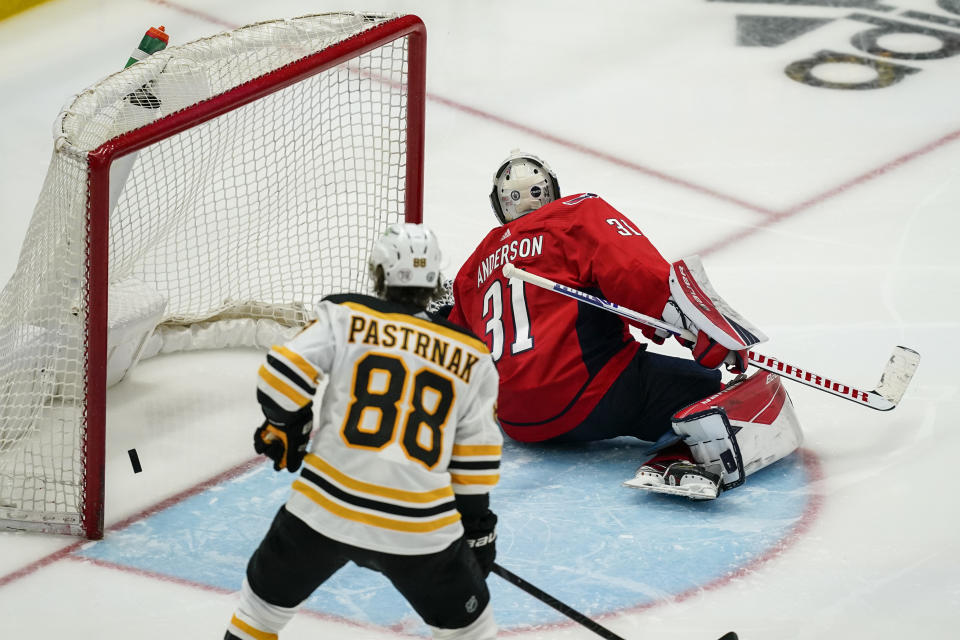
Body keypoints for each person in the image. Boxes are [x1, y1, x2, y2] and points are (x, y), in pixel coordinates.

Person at [445, 150, 802, 500]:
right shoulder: (575, 214)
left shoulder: (473, 267)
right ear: (552, 190)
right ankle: (674, 458)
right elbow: (639, 275)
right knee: (706, 392)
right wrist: (706, 331)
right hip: (593, 396)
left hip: (516, 421)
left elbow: (457, 355)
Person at [225, 223, 502, 640]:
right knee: (471, 632)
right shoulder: (473, 355)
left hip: (322, 511)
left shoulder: (344, 314)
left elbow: (281, 375)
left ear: (378, 273)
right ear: (434, 283)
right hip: (418, 528)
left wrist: (287, 425)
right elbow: (475, 464)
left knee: (259, 614)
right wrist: (477, 531)